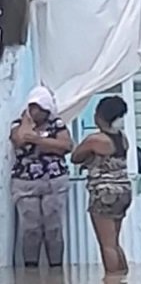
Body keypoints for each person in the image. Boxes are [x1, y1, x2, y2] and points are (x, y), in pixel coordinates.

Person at [9, 86, 73, 267]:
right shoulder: (19, 124)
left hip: (53, 182)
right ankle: (31, 269)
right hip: (25, 183)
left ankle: (56, 269)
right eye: (32, 107)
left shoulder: (57, 125)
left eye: (38, 108)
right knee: (30, 228)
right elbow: (19, 139)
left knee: (53, 227)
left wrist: (38, 140)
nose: (34, 111)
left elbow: (66, 146)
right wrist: (27, 123)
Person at [71, 96, 132, 274]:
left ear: (100, 116)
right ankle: (123, 279)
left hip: (104, 193)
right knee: (114, 243)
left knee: (106, 246)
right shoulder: (122, 139)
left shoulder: (96, 140)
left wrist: (88, 158)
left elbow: (75, 157)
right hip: (124, 191)